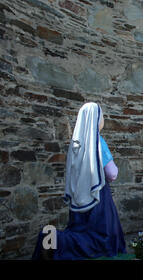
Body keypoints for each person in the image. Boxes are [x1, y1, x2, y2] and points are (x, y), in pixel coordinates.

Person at [31, 102, 126, 260]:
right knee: (101, 237)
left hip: (77, 199)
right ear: (95, 119)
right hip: (98, 196)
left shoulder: (76, 143)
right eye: (101, 116)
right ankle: (54, 240)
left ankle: (53, 239)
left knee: (79, 231)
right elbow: (112, 173)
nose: (103, 121)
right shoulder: (97, 141)